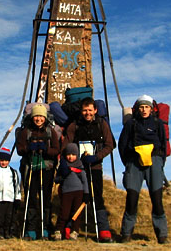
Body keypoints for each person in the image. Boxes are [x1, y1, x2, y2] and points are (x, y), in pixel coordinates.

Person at [62, 97, 114, 242]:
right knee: (76, 198)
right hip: (77, 169)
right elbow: (65, 146)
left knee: (97, 196)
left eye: (90, 110)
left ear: (95, 110)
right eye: (85, 110)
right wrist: (70, 162)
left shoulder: (101, 124)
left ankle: (103, 230)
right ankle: (71, 228)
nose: (87, 113)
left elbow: (110, 144)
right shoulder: (74, 125)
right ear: (81, 111)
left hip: (95, 166)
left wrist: (97, 156)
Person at [118, 94, 168, 244]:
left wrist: (159, 163)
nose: (144, 110)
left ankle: (162, 235)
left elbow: (163, 145)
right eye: (142, 107)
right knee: (131, 200)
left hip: (154, 162)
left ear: (151, 109)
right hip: (134, 163)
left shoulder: (158, 123)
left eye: (147, 107)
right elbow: (122, 144)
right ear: (137, 109)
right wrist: (128, 163)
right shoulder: (131, 124)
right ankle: (126, 234)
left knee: (157, 200)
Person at [15, 103, 60, 240]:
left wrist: (46, 150)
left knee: (46, 198)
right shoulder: (26, 131)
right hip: (30, 167)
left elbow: (56, 149)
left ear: (45, 117)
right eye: (36, 116)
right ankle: (31, 229)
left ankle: (45, 227)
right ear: (32, 117)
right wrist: (29, 148)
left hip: (46, 168)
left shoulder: (50, 131)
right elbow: (20, 149)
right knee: (31, 199)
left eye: (41, 116)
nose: (38, 119)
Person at [52, 143, 89, 241]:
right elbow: (57, 179)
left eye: (73, 154)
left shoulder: (80, 165)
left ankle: (75, 231)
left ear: (77, 155)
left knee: (76, 212)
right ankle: (58, 231)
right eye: (69, 154)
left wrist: (86, 193)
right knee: (64, 212)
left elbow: (84, 180)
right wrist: (62, 176)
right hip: (66, 192)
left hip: (79, 192)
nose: (71, 157)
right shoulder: (63, 165)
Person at [0, 147, 21, 240]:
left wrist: (17, 198)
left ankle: (9, 232)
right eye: (2, 160)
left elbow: (17, 186)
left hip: (10, 199)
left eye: (6, 160)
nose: (4, 162)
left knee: (9, 218)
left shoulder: (13, 172)